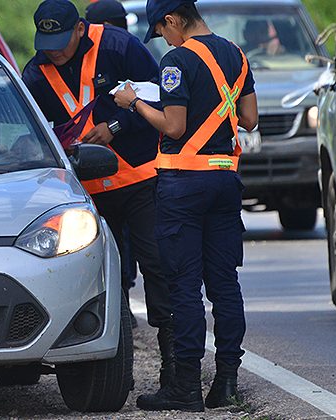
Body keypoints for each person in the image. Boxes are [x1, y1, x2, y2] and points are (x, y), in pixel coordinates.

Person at [113, 0, 258, 411]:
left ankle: (186, 387)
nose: (163, 40)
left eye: (161, 31)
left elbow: (173, 126)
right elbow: (249, 119)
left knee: (183, 287)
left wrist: (134, 103)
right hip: (225, 181)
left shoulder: (176, 59)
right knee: (225, 284)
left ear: (172, 20)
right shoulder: (236, 54)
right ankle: (227, 381)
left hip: (183, 187)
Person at [23, 0, 174, 390]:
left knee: (158, 266)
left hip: (140, 180)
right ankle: (110, 368)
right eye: (46, 41)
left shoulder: (120, 48)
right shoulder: (36, 73)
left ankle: (175, 368)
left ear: (79, 29)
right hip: (87, 195)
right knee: (102, 279)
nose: (53, 50)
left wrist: (114, 127)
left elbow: (161, 96)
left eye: (60, 40)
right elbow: (31, 132)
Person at [85, 0, 140, 328]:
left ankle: (122, 301)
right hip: (93, 175)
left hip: (133, 173)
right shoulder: (81, 64)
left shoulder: (132, 59)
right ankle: (116, 302)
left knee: (127, 240)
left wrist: (116, 127)